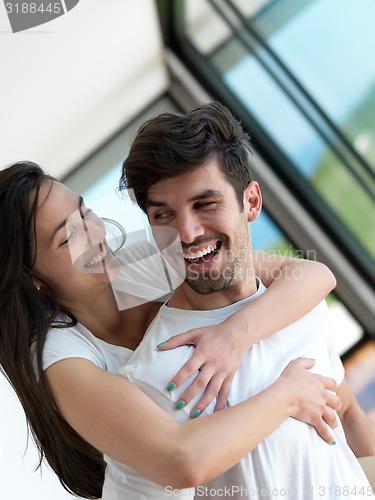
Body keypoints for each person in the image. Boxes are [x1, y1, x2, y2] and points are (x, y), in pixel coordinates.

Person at [0, 162, 338, 500]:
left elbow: (310, 273)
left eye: (84, 212)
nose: (96, 233)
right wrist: (288, 396)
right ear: (33, 277)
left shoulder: (135, 266)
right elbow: (181, 462)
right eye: (68, 237)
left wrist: (235, 335)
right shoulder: (58, 356)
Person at [116, 101, 375, 499]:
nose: (186, 232)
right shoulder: (151, 375)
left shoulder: (297, 304)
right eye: (163, 215)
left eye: (205, 204)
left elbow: (349, 415)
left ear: (251, 202)